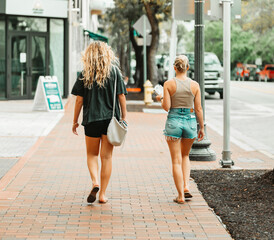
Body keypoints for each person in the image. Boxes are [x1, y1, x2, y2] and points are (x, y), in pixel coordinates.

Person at [71, 41, 127, 204]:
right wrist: (124, 116)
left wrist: (75, 121)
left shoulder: (85, 73)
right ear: (107, 53)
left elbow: (79, 101)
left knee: (91, 154)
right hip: (111, 120)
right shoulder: (115, 72)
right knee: (107, 157)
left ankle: (95, 182)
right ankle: (102, 194)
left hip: (91, 119)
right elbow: (121, 96)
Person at [156, 55, 205, 204]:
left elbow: (167, 107)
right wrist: (201, 127)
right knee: (185, 156)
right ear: (188, 68)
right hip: (190, 121)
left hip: (173, 122)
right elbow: (198, 108)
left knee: (176, 161)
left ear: (174, 68)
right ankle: (186, 187)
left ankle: (180, 196)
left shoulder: (168, 84)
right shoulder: (195, 85)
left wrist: (161, 99)